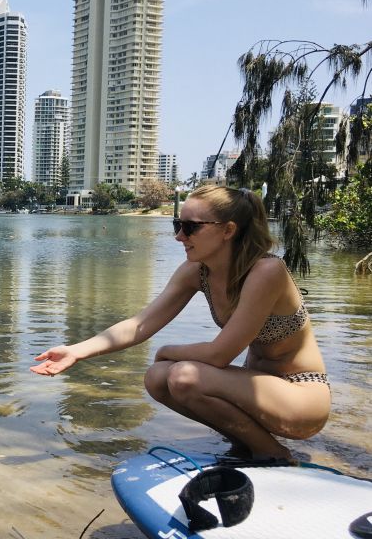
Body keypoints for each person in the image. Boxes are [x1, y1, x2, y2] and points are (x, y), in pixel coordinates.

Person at [30, 185, 330, 461]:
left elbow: (219, 355)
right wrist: (75, 351)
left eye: (190, 228)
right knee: (157, 377)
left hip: (301, 397)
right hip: (256, 391)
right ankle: (244, 446)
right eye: (178, 225)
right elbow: (139, 324)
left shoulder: (266, 271)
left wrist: (167, 350)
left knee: (183, 375)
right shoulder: (197, 272)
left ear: (228, 230)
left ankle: (274, 456)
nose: (179, 237)